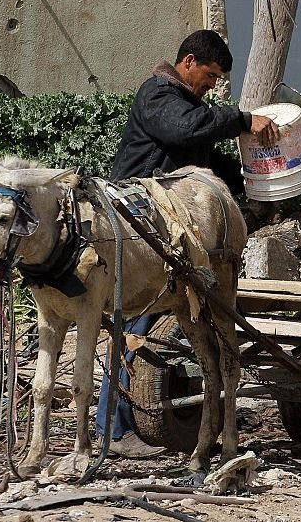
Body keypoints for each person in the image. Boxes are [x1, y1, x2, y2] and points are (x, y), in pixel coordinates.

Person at [97, 29, 278, 457]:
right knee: (132, 326)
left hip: (169, 227)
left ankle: (136, 426)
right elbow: (183, 132)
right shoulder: (158, 95)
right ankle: (116, 431)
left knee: (148, 326)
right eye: (210, 76)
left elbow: (210, 163)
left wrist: (260, 182)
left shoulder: (188, 106)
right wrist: (240, 119)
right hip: (138, 223)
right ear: (189, 62)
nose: (212, 86)